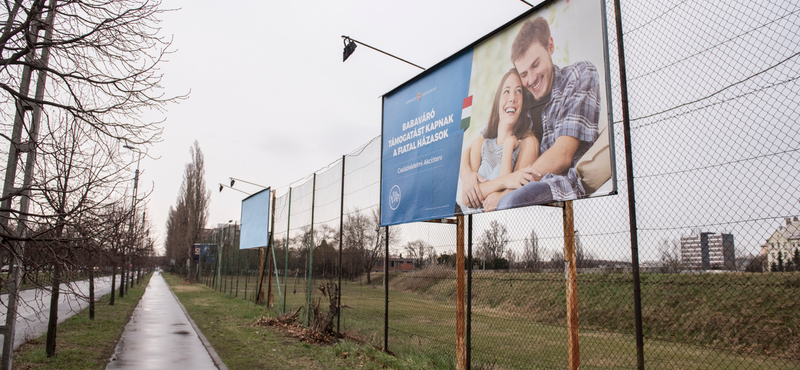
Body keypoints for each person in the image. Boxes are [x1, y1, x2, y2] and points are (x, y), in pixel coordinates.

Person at [463, 16, 601, 211]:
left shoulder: (579, 75)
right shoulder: (522, 99)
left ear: (550, 46)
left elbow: (563, 154)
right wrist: (468, 176)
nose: (532, 79)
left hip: (558, 185)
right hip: (518, 186)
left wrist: (507, 191)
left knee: (507, 203)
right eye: (524, 74)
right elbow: (474, 144)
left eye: (535, 65)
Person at [456, 68, 539, 214]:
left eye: (518, 91)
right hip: (469, 217)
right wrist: (505, 181)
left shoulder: (527, 143)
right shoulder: (481, 143)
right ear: (498, 100)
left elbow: (510, 194)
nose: (512, 98)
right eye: (506, 91)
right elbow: (467, 197)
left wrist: (508, 147)